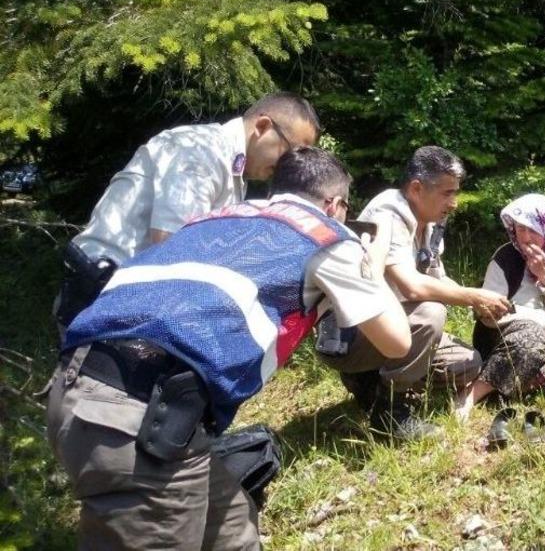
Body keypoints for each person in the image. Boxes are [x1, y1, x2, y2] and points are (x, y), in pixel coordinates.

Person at [47, 147, 410, 550]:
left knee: (234, 532)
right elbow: (397, 342)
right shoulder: (326, 236)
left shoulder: (214, 217)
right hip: (137, 421)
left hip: (77, 389)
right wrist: (373, 260)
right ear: (335, 204)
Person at [55, 92, 322, 327]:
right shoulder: (199, 151)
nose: (290, 166)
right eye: (290, 153)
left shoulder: (232, 169)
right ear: (262, 126)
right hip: (103, 295)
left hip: (132, 299)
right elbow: (174, 246)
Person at [316, 146, 507, 438]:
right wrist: (473, 296)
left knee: (467, 364)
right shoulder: (387, 213)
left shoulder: (429, 223)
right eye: (447, 193)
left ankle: (372, 382)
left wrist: (479, 301)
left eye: (455, 193)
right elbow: (412, 286)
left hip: (391, 328)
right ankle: (389, 412)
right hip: (348, 335)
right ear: (417, 188)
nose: (454, 203)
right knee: (430, 313)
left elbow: (437, 278)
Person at [454, 194, 545, 421]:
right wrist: (539, 319)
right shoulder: (505, 257)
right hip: (509, 338)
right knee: (532, 338)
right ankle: (471, 394)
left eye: (533, 230)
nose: (526, 237)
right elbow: (487, 314)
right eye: (520, 229)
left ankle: (502, 383)